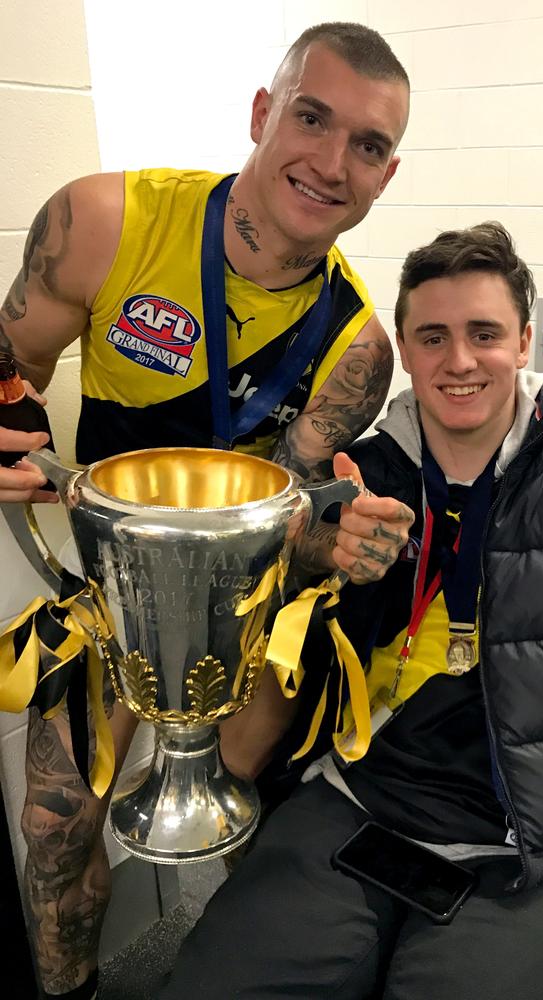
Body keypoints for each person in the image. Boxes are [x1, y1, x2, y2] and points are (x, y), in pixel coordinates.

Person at [0, 22, 414, 999]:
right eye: (310, 119)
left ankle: (251, 979)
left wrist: (340, 541)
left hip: (237, 608)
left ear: (384, 175)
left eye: (365, 145)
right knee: (53, 832)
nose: (328, 162)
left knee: (245, 819)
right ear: (263, 115)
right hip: (102, 593)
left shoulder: (357, 352)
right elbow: (10, 370)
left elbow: (290, 523)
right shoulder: (104, 221)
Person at [160, 222, 543, 1000]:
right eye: (433, 337)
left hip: (527, 832)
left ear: (524, 342)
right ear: (405, 345)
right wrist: (319, 557)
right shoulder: (353, 477)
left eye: (483, 333)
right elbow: (257, 615)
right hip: (356, 798)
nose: (458, 361)